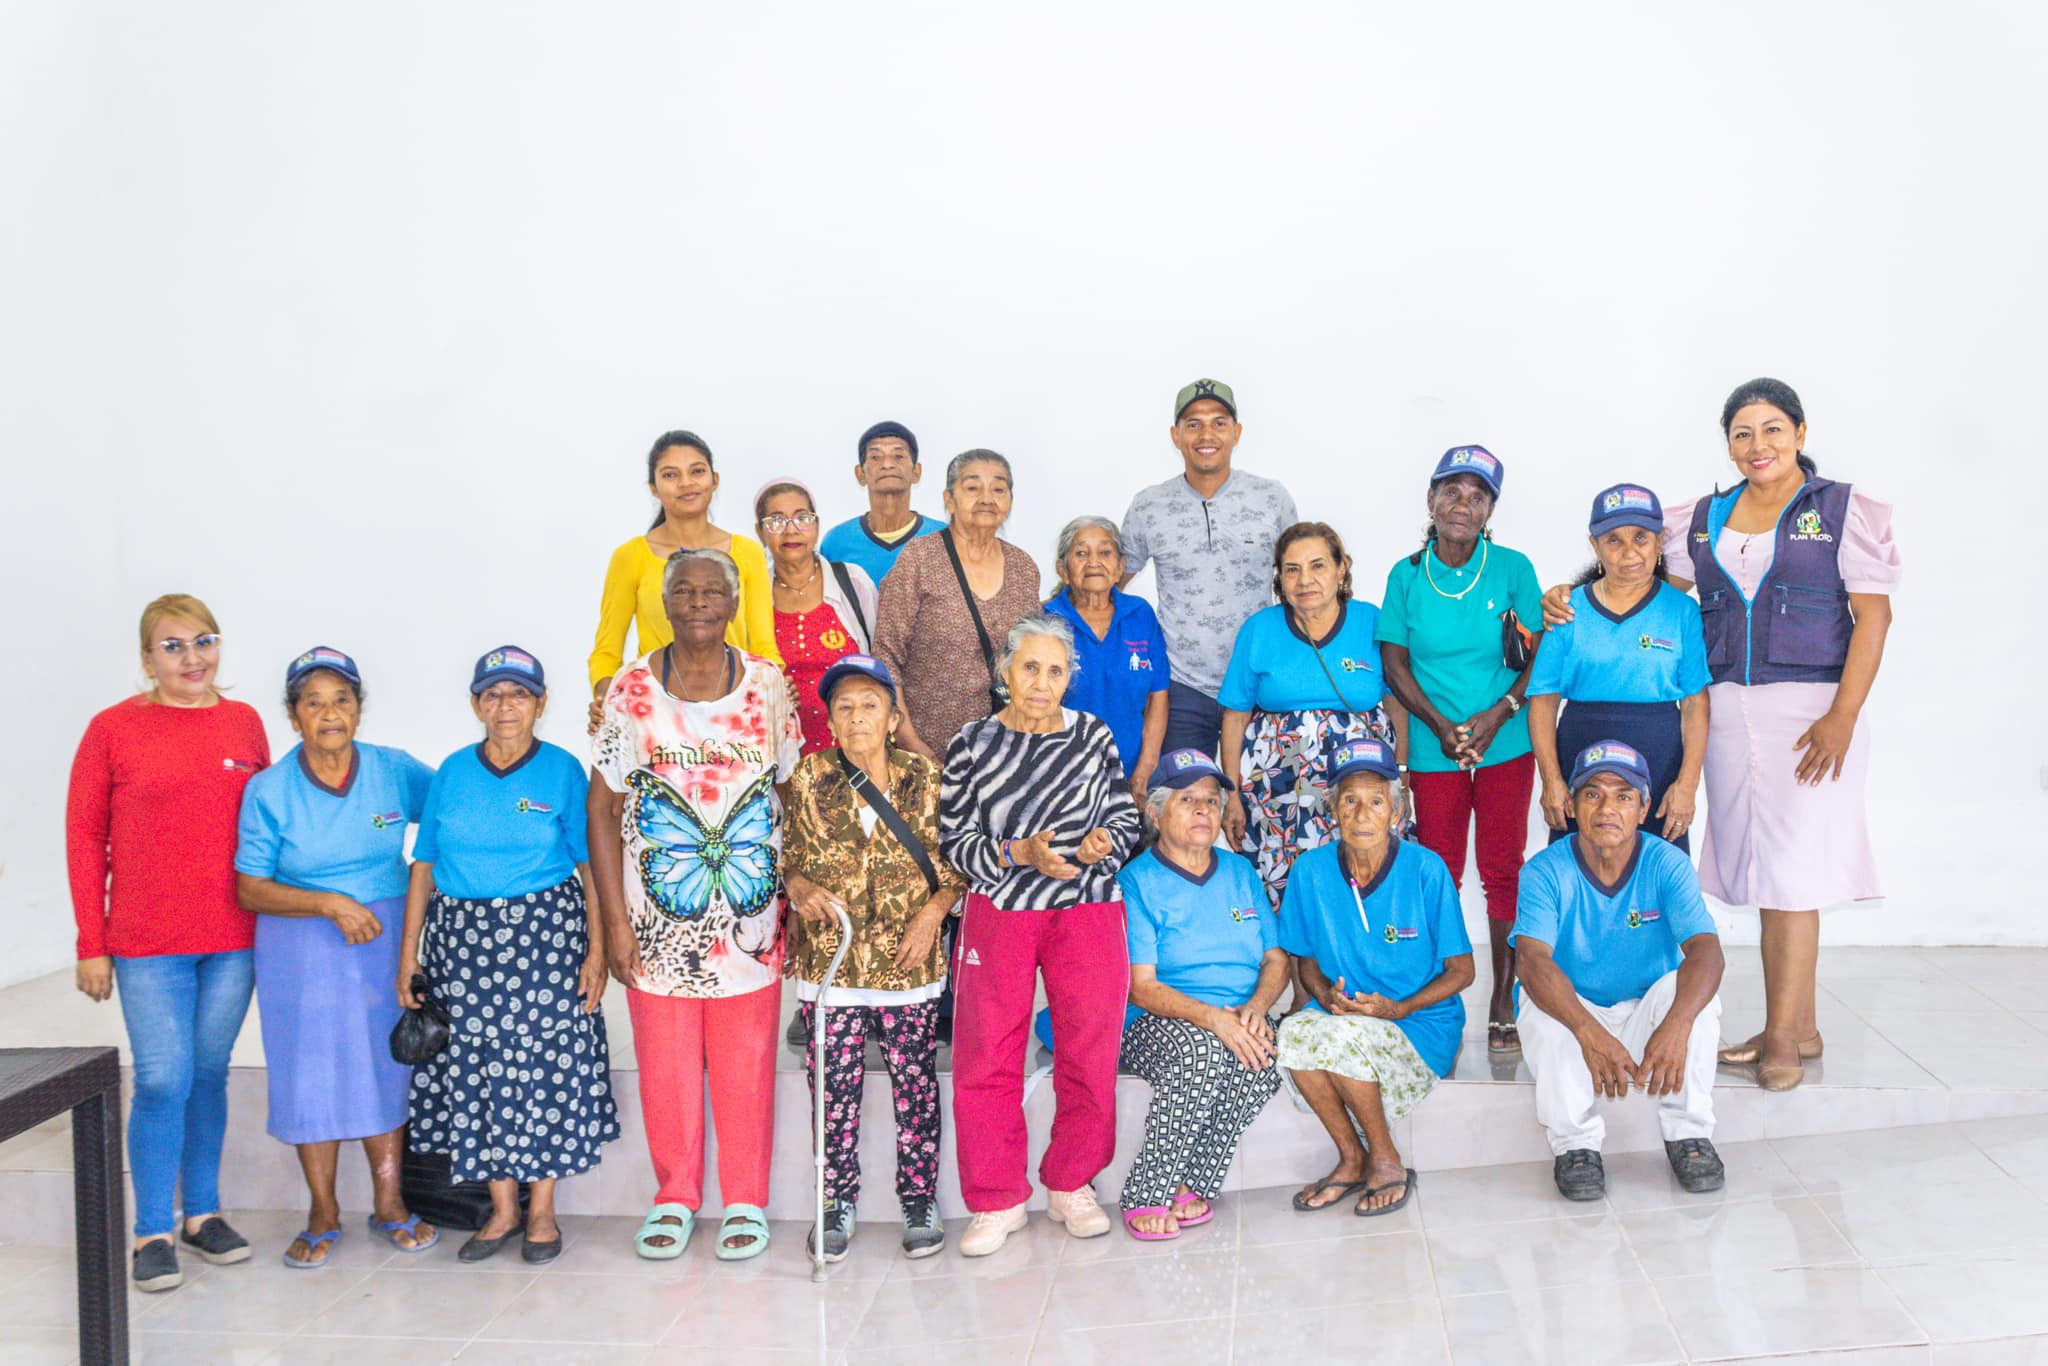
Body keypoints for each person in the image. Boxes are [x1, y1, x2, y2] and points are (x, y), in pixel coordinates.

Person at [1541, 378, 1898, 1090]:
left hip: (1811, 712)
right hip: (1728, 710)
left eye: (1772, 429)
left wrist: (1843, 716)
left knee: (1794, 871)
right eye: (1742, 433)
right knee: (1768, 868)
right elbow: (1636, 579)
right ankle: (1799, 1023)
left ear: (1799, 432)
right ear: (1728, 444)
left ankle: (1783, 1041)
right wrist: (1564, 595)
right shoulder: (1704, 519)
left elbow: (1874, 618)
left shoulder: (1840, 510)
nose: (1758, 445)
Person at [588, 547, 804, 1262]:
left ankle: (744, 1198)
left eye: (714, 591)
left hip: (750, 913)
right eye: (686, 590)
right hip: (657, 917)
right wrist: (615, 921)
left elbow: (790, 794)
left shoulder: (768, 685)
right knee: (666, 1065)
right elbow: (602, 808)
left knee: (747, 1064)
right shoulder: (630, 689)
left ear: (736, 603)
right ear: (666, 601)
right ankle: (674, 1197)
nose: (700, 602)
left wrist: (797, 895)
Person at [65, 595, 270, 1292]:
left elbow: (268, 824)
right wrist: (91, 941)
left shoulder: (244, 724)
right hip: (147, 943)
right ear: (147, 658)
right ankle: (152, 1229)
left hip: (233, 940)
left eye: (204, 641)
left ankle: (202, 1214)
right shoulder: (112, 729)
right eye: (173, 645)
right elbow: (85, 837)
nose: (192, 657)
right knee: (161, 1079)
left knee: (208, 1074)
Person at [397, 645, 619, 1265]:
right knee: (476, 1070)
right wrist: (408, 958)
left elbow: (591, 868)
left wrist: (597, 951)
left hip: (546, 939)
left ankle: (541, 1210)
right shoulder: (452, 773)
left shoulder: (562, 771)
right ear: (476, 706)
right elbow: (424, 866)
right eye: (492, 695)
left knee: (543, 1069)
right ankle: (501, 1210)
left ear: (540, 704)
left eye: (519, 694)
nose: (505, 706)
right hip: (461, 945)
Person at [940, 616, 1142, 1256]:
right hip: (1000, 909)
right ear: (1004, 670)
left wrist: (1103, 843)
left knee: (1089, 1048)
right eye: (1030, 667)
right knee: (987, 1054)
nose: (1041, 682)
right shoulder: (971, 744)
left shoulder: (1093, 735)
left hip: (1086, 906)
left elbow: (1124, 816)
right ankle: (996, 1199)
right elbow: (954, 842)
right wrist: (1019, 853)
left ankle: (1071, 1183)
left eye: (1055, 671)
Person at [234, 647, 439, 1267]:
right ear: (293, 715)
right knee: (309, 1071)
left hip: (381, 939)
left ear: (359, 709)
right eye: (313, 702)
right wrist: (327, 903)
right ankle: (322, 1211)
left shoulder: (392, 769)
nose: (329, 714)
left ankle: (390, 1204)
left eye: (342, 700)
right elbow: (250, 888)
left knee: (385, 1062)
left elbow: (451, 812)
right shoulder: (269, 790)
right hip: (299, 945)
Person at [780, 655, 965, 1261]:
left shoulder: (927, 779)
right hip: (831, 967)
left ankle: (918, 1199)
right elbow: (786, 858)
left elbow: (957, 867)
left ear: (892, 718)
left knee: (916, 1087)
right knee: (832, 1092)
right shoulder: (809, 778)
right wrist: (797, 887)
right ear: (831, 721)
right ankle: (835, 1199)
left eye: (870, 705)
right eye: (845, 707)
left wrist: (933, 914)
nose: (857, 717)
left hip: (907, 965)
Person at [1377, 445, 1543, 1056]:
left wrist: (1499, 714)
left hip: (1506, 743)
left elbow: (1539, 655)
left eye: (1477, 497)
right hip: (1433, 746)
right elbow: (1394, 662)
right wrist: (1442, 726)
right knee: (1439, 870)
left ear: (1490, 509)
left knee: (1503, 869)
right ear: (1431, 499)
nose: (1462, 506)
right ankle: (1437, 995)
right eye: (1451, 492)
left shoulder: (1513, 569)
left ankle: (1504, 995)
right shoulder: (1405, 575)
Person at [1510, 740, 1727, 1201]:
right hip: (1578, 1013)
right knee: (1537, 1001)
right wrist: (1588, 1032)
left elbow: (1707, 951)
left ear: (1644, 808)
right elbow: (1531, 960)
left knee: (1696, 1000)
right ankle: (1575, 1146)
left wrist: (1678, 1024)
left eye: (1623, 796)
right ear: (1571, 805)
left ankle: (1689, 1135)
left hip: (1647, 1014)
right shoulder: (1544, 871)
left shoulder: (1667, 862)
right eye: (1592, 794)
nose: (1607, 808)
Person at [1276, 740, 1473, 1217]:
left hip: (1420, 1024)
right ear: (1333, 810)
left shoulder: (1426, 869)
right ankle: (1351, 1158)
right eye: (1350, 801)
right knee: (1294, 1032)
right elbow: (1305, 961)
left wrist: (1398, 1008)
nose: (1362, 815)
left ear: (1396, 812)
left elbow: (1463, 971)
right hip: (1347, 1016)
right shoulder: (1310, 871)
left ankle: (1385, 1159)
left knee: (1342, 1039)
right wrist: (1326, 996)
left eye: (1377, 802)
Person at [1117, 750, 1287, 1239]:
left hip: (1236, 1012)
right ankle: (1147, 1191)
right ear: (1155, 813)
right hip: (1154, 1019)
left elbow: (1276, 960)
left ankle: (1189, 1182)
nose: (1202, 810)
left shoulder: (1240, 873)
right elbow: (1142, 987)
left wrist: (1255, 1010)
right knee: (1203, 1053)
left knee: (1266, 1055)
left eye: (1211, 801)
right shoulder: (1135, 882)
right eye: (1186, 799)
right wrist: (1216, 1020)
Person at [1219, 521, 1397, 907]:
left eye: (1318, 565)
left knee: (1361, 879)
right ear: (1279, 578)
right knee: (1284, 891)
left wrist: (1402, 775)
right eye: (1292, 569)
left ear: (1341, 568)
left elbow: (1396, 700)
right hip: (1276, 792)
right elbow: (1234, 717)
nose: (1305, 580)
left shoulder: (1371, 621)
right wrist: (1231, 795)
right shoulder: (1259, 629)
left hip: (1356, 784)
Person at [1120, 378, 1298, 759]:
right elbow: (1109, 582)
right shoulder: (1149, 505)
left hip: (1260, 678)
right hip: (1181, 686)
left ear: (1237, 432)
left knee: (1261, 792)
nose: (1207, 435)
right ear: (1176, 435)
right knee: (1181, 792)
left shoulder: (1271, 498)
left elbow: (1299, 583)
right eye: (1193, 424)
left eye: (1219, 423)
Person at [1528, 484, 1709, 852]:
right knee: (1581, 866)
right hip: (1580, 753)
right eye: (1613, 540)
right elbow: (1543, 702)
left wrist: (1687, 785)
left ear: (1660, 541)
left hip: (1660, 757)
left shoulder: (1682, 611)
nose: (1629, 552)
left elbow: (1695, 704)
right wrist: (1552, 780)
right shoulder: (1567, 611)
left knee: (1657, 867)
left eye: (1641, 538)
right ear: (1595, 546)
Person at [587, 430, 780, 729]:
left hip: (736, 713)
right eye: (670, 475)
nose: (686, 483)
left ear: (715, 480)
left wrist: (776, 691)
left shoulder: (747, 552)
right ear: (654, 488)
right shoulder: (631, 556)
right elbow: (606, 652)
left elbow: (764, 646)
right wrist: (608, 701)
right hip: (657, 716)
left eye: (697, 471)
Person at [872, 449, 1043, 760]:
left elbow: (1034, 657)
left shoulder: (1023, 568)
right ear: (949, 500)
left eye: (999, 488)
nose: (987, 498)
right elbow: (886, 657)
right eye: (973, 487)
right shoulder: (920, 559)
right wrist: (910, 742)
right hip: (926, 750)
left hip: (1005, 751)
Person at [1041, 515, 1170, 801]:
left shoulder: (1140, 614)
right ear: (1063, 570)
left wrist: (1145, 769)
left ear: (1120, 567)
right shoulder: (1046, 620)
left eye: (1105, 552)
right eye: (1081, 553)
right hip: (1063, 776)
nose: (1094, 562)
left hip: (1133, 773)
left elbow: (1158, 697)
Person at [756, 476, 877, 755]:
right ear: (759, 532)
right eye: (776, 521)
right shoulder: (754, 594)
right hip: (779, 756)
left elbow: (881, 661)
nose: (791, 530)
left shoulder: (852, 582)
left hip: (854, 751)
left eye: (802, 518)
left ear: (817, 526)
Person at [818, 420, 946, 587]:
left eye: (898, 456)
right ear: (860, 474)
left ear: (916, 471)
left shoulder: (945, 538)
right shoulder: (836, 542)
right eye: (876, 457)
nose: (887, 465)